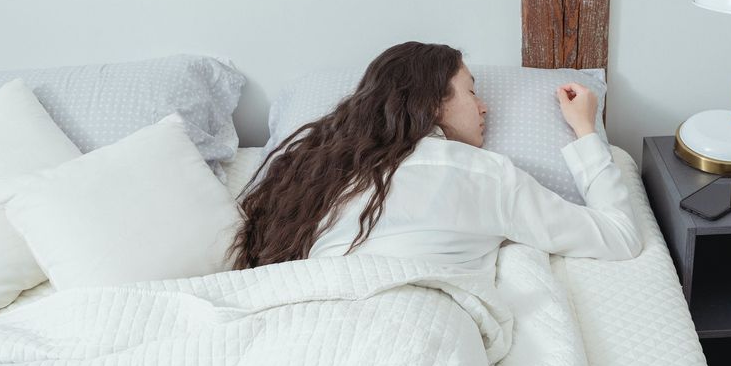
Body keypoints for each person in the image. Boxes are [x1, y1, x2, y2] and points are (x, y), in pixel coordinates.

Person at [228, 41, 642, 271]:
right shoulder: (484, 174)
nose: (484, 107)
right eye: (472, 91)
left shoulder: (318, 176)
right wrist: (586, 131)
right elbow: (620, 237)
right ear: (432, 103)